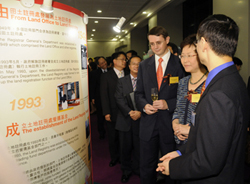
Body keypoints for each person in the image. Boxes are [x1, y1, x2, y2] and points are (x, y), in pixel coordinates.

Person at [157, 14, 250, 184]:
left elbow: (208, 161)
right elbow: (214, 137)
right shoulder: (233, 79)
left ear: (204, 43)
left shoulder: (219, 93)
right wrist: (182, 152)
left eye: (197, 42)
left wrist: (174, 166)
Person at [135, 26, 185, 184]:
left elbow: (185, 97)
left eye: (159, 42)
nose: (155, 47)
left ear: (167, 40)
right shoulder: (144, 65)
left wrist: (168, 104)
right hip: (148, 124)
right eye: (152, 44)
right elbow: (138, 94)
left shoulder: (180, 64)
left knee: (171, 166)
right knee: (146, 166)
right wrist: (144, 106)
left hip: (170, 124)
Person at [172, 34, 208, 147]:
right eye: (182, 56)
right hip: (180, 141)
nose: (185, 60)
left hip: (200, 143)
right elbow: (177, 110)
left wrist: (190, 130)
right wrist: (176, 126)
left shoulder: (210, 82)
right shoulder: (183, 82)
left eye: (189, 55)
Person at [115, 56, 142, 182]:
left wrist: (140, 113)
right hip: (125, 119)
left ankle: (137, 168)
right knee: (124, 148)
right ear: (129, 66)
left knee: (139, 147)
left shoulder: (146, 80)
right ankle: (126, 170)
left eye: (139, 64)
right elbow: (119, 99)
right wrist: (130, 112)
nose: (136, 66)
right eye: (134, 64)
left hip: (141, 119)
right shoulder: (122, 81)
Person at [100, 52, 128, 167]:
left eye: (125, 59)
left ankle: (124, 157)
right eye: (122, 59)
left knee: (125, 137)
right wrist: (106, 112)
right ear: (115, 61)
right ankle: (114, 157)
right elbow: (104, 95)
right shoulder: (107, 76)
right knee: (113, 137)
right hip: (113, 110)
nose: (124, 61)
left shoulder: (128, 74)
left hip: (126, 111)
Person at [90, 57, 109, 139]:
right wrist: (93, 97)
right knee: (100, 116)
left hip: (110, 97)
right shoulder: (94, 73)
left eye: (104, 62)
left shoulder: (111, 71)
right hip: (99, 98)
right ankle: (101, 132)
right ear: (98, 65)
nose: (104, 64)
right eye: (101, 63)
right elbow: (92, 86)